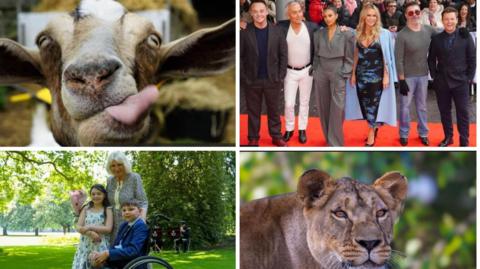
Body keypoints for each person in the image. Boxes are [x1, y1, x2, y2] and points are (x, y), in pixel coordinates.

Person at [346, 3, 397, 146]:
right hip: (361, 75)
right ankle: (373, 127)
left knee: (374, 105)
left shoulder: (384, 33)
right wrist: (353, 74)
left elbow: (387, 57)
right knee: (364, 104)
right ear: (363, 17)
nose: (371, 18)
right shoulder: (358, 33)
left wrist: (387, 75)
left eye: (374, 15)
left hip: (377, 75)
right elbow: (356, 54)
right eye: (368, 15)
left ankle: (370, 132)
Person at [240, 0, 288, 147]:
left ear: (267, 12)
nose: (259, 14)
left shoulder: (277, 31)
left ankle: (276, 136)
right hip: (252, 80)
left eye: (261, 11)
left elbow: (283, 55)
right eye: (255, 11)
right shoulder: (244, 33)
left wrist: (280, 76)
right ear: (251, 14)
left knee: (274, 110)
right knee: (253, 112)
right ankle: (253, 138)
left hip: (272, 79)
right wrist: (244, 77)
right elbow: (240, 57)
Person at [428, 7, 476, 146]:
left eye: (452, 19)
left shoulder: (465, 37)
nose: (449, 22)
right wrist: (435, 77)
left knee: (463, 113)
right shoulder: (436, 39)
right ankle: (448, 137)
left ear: (456, 20)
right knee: (444, 112)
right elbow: (431, 59)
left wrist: (469, 78)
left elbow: (472, 59)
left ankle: (464, 140)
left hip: (461, 82)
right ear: (442, 20)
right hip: (442, 82)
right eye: (446, 19)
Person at [395, 1, 439, 146]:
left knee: (422, 106)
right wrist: (401, 80)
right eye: (410, 13)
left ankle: (423, 133)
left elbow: (444, 33)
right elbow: (398, 59)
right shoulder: (402, 35)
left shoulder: (428, 30)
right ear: (406, 16)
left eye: (417, 12)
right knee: (404, 107)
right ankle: (404, 133)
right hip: (407, 77)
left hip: (423, 75)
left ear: (420, 13)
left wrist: (459, 30)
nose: (414, 15)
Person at [311, 5, 354, 146]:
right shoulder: (318, 34)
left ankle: (335, 142)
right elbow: (316, 54)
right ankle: (328, 137)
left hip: (338, 71)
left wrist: (345, 71)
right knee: (323, 106)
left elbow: (350, 56)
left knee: (338, 107)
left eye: (330, 15)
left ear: (336, 16)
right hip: (321, 70)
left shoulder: (346, 33)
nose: (327, 18)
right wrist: (316, 70)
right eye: (325, 16)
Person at [278, 1, 317, 144]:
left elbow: (327, 31)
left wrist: (344, 29)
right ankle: (289, 129)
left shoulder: (312, 27)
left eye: (299, 11)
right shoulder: (281, 27)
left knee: (305, 102)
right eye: (294, 12)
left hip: (307, 70)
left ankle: (302, 129)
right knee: (288, 103)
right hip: (290, 71)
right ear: (288, 14)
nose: (297, 15)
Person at [90, 200, 149, 269]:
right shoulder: (124, 225)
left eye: (131, 209)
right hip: (119, 260)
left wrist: (109, 254)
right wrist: (102, 255)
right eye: (124, 210)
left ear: (139, 211)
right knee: (94, 258)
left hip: (130, 262)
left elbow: (133, 250)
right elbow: (116, 245)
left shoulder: (140, 226)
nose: (127, 212)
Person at [105, 151, 148, 245]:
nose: (116, 168)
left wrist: (142, 221)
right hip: (112, 222)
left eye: (119, 164)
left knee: (127, 251)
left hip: (129, 221)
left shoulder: (134, 178)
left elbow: (143, 202)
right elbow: (106, 202)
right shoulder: (110, 180)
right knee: (113, 251)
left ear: (125, 164)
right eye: (113, 165)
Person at [72, 184, 113, 269]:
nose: (96, 196)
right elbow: (78, 226)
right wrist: (90, 233)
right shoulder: (86, 208)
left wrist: (90, 227)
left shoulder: (107, 209)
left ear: (104, 195)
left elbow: (108, 228)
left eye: (99, 193)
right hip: (85, 245)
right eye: (93, 194)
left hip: (100, 244)